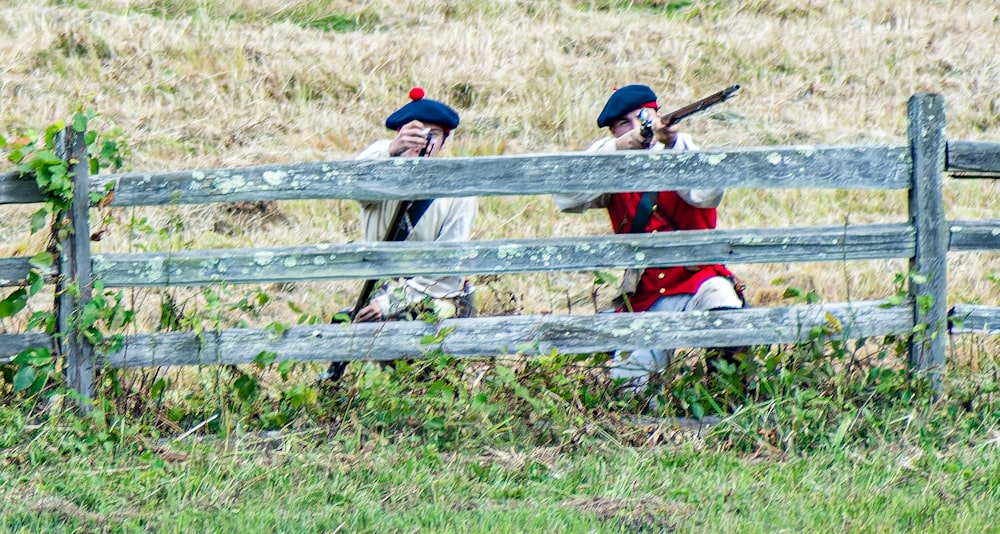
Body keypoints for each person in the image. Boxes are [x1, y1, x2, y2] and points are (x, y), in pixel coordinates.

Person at [553, 84, 746, 392]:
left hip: (699, 281)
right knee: (627, 391)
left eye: (640, 119)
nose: (634, 128)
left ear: (657, 115)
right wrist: (623, 147)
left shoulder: (682, 151)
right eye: (623, 125)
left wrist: (672, 143)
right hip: (647, 296)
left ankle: (730, 400)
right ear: (614, 132)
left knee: (727, 316)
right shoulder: (609, 166)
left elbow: (708, 194)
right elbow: (566, 195)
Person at [323, 87, 476, 381]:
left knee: (416, 343)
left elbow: (445, 268)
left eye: (432, 134)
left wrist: (387, 304)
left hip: (437, 296)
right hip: (380, 291)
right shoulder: (380, 173)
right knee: (346, 323)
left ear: (445, 140)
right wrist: (390, 150)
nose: (422, 141)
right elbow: (353, 182)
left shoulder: (458, 189)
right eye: (414, 132)